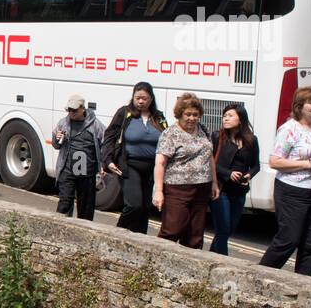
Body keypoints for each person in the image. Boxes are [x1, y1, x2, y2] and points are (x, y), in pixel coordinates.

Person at [259, 86, 311, 276]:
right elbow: (275, 161)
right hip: (293, 191)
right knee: (289, 239)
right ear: (299, 105)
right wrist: (308, 165)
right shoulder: (289, 129)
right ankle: (261, 276)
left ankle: (304, 284)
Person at [103, 82, 168, 234]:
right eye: (137, 98)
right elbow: (110, 137)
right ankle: (117, 234)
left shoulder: (158, 117)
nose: (140, 101)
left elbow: (166, 140)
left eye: (144, 98)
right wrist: (108, 161)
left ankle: (139, 239)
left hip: (151, 168)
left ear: (151, 99)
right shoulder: (125, 113)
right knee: (134, 205)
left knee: (145, 208)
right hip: (129, 165)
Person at [154, 94, 218, 248]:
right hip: (177, 188)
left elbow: (209, 158)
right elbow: (160, 162)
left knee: (195, 234)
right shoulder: (170, 133)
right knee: (173, 228)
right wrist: (158, 191)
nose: (192, 118)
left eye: (195, 115)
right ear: (180, 114)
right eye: (188, 114)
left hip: (202, 187)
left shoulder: (204, 130)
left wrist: (214, 183)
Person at [210, 104, 260, 255]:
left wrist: (249, 175)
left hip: (239, 191)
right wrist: (228, 174)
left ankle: (211, 255)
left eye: (230, 115)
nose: (226, 118)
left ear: (240, 119)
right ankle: (223, 261)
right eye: (224, 116)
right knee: (223, 228)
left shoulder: (251, 140)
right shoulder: (217, 137)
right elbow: (210, 163)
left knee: (229, 229)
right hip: (221, 188)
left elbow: (256, 165)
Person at [51, 94, 105, 220]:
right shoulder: (63, 123)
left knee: (85, 207)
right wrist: (57, 139)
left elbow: (105, 143)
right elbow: (55, 145)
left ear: (83, 109)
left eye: (74, 110)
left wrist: (104, 163)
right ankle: (60, 229)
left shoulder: (95, 125)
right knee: (65, 202)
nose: (71, 113)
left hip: (87, 171)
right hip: (68, 168)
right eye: (69, 110)